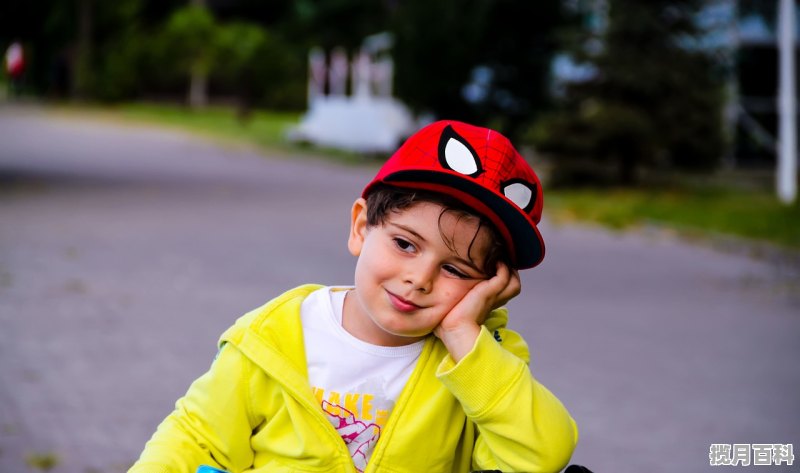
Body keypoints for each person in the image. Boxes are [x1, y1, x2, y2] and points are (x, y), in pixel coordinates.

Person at [130, 120, 578, 473]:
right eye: (405, 244)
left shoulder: (480, 362)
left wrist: (464, 335)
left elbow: (541, 457)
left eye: (455, 269)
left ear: (489, 285)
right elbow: (196, 437)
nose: (419, 279)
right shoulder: (275, 336)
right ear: (362, 226)